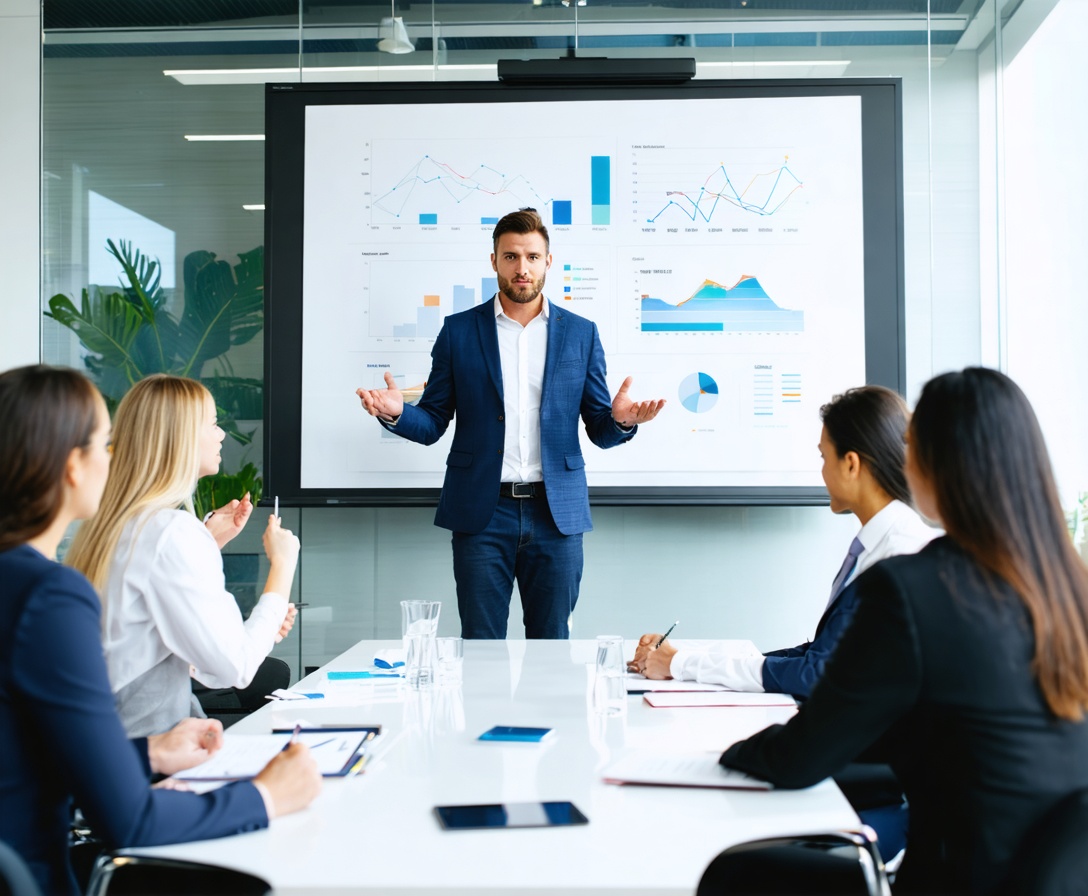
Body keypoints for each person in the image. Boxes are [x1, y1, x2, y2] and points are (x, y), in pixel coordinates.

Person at [719, 368, 1088, 894]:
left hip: (953, 877)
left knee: (736, 872)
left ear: (934, 467)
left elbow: (799, 758)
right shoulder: (1070, 588)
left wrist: (723, 753)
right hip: (1053, 880)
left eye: (913, 446)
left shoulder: (913, 589)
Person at [0, 365, 321, 896]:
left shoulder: (30, 577)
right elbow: (130, 820)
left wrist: (146, 753)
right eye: (104, 443)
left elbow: (22, 749)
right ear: (72, 467)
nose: (115, 455)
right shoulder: (49, 596)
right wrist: (268, 795)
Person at [356, 208, 665, 639]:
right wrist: (397, 412)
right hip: (483, 514)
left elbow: (598, 427)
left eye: (533, 257)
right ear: (495, 261)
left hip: (556, 516)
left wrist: (620, 421)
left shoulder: (581, 334)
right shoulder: (458, 332)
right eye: (511, 256)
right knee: (480, 648)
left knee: (552, 645)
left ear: (548, 262)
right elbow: (431, 424)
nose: (523, 268)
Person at [629, 385, 936, 695]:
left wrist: (682, 663)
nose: (822, 471)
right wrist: (685, 662)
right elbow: (818, 654)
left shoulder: (898, 555)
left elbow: (818, 672)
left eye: (824, 456)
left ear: (851, 464)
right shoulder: (882, 542)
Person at [67, 374, 299, 737]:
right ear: (181, 438)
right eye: (212, 423)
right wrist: (283, 564)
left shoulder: (113, 525)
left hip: (110, 748)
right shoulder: (170, 532)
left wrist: (207, 543)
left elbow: (176, 646)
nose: (222, 434)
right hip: (152, 760)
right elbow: (234, 668)